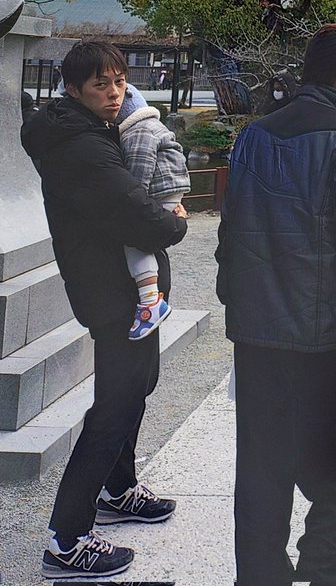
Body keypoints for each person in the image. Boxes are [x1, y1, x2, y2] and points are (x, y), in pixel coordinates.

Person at [217, 23, 336, 586]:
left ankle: (259, 577)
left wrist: (237, 302)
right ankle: (324, 574)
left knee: (261, 470)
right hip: (326, 337)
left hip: (257, 335)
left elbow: (230, 231)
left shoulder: (253, 134)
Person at [21, 41, 187, 581]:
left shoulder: (90, 129)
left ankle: (119, 489)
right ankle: (66, 541)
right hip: (112, 295)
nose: (114, 93)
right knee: (114, 406)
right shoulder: (81, 147)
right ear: (73, 89)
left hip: (123, 291)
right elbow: (137, 214)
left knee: (137, 387)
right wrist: (176, 222)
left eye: (119, 82)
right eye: (101, 85)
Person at [117, 87, 191, 341]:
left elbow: (140, 167)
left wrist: (136, 200)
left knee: (135, 243)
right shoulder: (154, 126)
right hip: (172, 192)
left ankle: (150, 302)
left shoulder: (138, 131)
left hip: (158, 193)